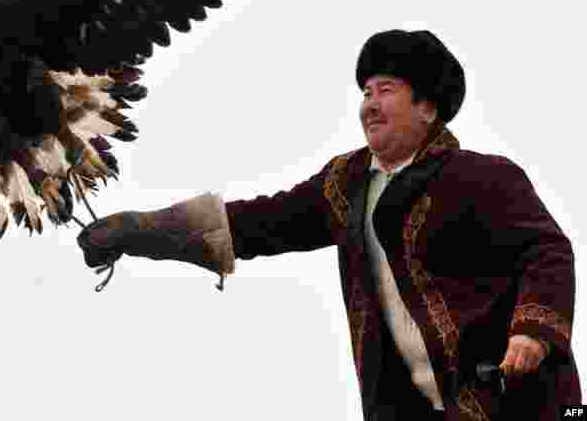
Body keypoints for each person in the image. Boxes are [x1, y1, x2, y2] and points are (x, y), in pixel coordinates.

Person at [78, 29, 580, 420]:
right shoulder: (344, 184)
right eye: (365, 91)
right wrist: (138, 231)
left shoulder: (481, 176)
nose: (369, 104)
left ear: (428, 108)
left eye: (386, 90)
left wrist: (531, 333)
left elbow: (547, 252)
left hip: (521, 402)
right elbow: (257, 223)